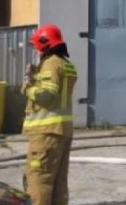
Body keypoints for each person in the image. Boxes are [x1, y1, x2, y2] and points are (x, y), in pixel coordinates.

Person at [23, 24, 78, 205]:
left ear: (45, 43)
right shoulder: (66, 64)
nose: (35, 49)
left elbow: (47, 96)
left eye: (36, 45)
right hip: (62, 132)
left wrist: (28, 87)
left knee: (39, 181)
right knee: (58, 183)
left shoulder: (51, 63)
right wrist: (35, 75)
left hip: (45, 133)